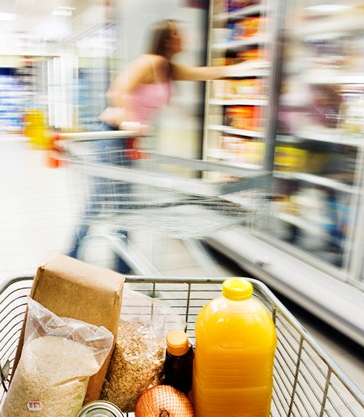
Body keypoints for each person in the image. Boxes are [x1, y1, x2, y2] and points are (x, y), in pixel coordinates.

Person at [67, 19, 265, 272]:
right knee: (100, 200)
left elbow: (203, 72)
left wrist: (245, 67)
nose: (184, 37)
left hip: (125, 138)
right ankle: (71, 256)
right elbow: (118, 91)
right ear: (168, 39)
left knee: (124, 202)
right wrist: (129, 121)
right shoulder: (149, 61)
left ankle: (122, 262)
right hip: (111, 134)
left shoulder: (167, 68)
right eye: (178, 34)